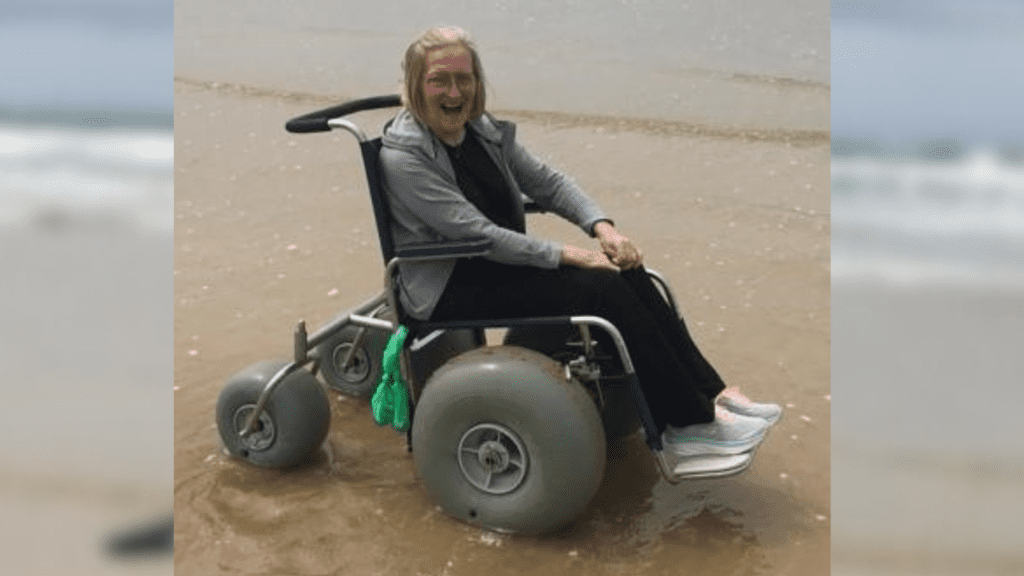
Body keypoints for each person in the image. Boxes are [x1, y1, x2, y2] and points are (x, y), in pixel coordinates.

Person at [379, 26, 781, 475]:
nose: (455, 91)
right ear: (417, 85)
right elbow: (479, 233)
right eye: (439, 80)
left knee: (629, 271)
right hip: (449, 282)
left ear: (477, 83)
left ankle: (711, 396)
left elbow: (548, 182)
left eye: (465, 78)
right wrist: (568, 254)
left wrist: (602, 229)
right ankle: (688, 427)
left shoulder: (481, 131)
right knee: (600, 290)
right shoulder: (404, 157)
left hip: (492, 263)